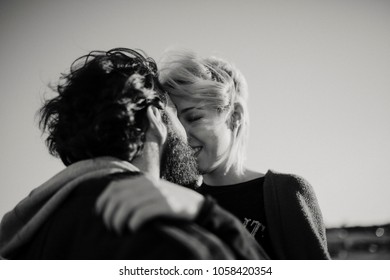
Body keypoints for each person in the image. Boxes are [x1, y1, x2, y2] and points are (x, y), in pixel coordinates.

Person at [0, 48, 268, 260]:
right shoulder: (167, 242)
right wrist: (213, 218)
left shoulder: (29, 243)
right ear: (155, 119)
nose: (186, 134)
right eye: (176, 113)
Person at [98, 48, 331, 259]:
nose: (181, 133)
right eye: (174, 122)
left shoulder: (283, 192)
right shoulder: (173, 196)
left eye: (194, 117)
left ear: (235, 116)